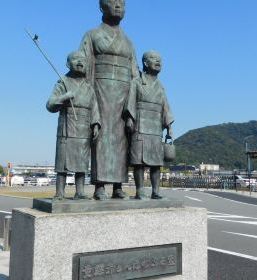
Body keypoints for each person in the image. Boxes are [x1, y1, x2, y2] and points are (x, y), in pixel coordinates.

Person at [78, 0, 139, 200]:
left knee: (122, 140)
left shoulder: (129, 43)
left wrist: (133, 106)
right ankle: (99, 186)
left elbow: (135, 76)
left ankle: (118, 186)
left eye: (122, 3)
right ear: (102, 7)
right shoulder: (92, 35)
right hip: (100, 92)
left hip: (124, 95)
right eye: (114, 2)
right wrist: (86, 98)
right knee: (101, 138)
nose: (119, 6)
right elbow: (84, 69)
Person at [46, 51, 100, 200]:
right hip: (67, 129)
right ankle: (60, 193)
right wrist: (64, 97)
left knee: (81, 163)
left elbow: (94, 108)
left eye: (83, 60)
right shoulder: (63, 82)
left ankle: (80, 192)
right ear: (68, 64)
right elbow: (50, 104)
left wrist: (95, 124)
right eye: (76, 59)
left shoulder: (89, 87)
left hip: (84, 129)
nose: (80, 62)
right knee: (62, 164)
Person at [124, 51, 173, 199]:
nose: (158, 62)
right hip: (140, 126)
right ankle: (140, 190)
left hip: (155, 128)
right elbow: (131, 101)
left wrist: (169, 126)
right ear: (145, 63)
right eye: (154, 59)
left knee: (156, 163)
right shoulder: (136, 82)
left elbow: (165, 107)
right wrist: (130, 118)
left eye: (160, 60)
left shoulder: (160, 86)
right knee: (139, 162)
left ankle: (156, 191)